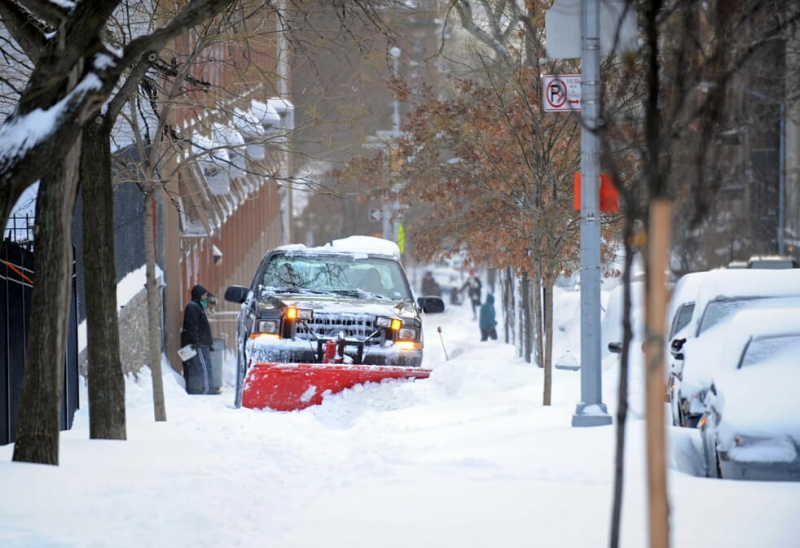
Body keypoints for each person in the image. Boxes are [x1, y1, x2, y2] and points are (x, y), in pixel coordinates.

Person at [180, 284, 215, 395]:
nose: (206, 298)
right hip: (198, 344)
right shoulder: (193, 307)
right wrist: (197, 341)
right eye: (204, 296)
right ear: (198, 296)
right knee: (204, 367)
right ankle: (207, 389)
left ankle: (201, 388)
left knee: (200, 367)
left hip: (201, 343)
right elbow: (192, 326)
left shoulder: (198, 307)